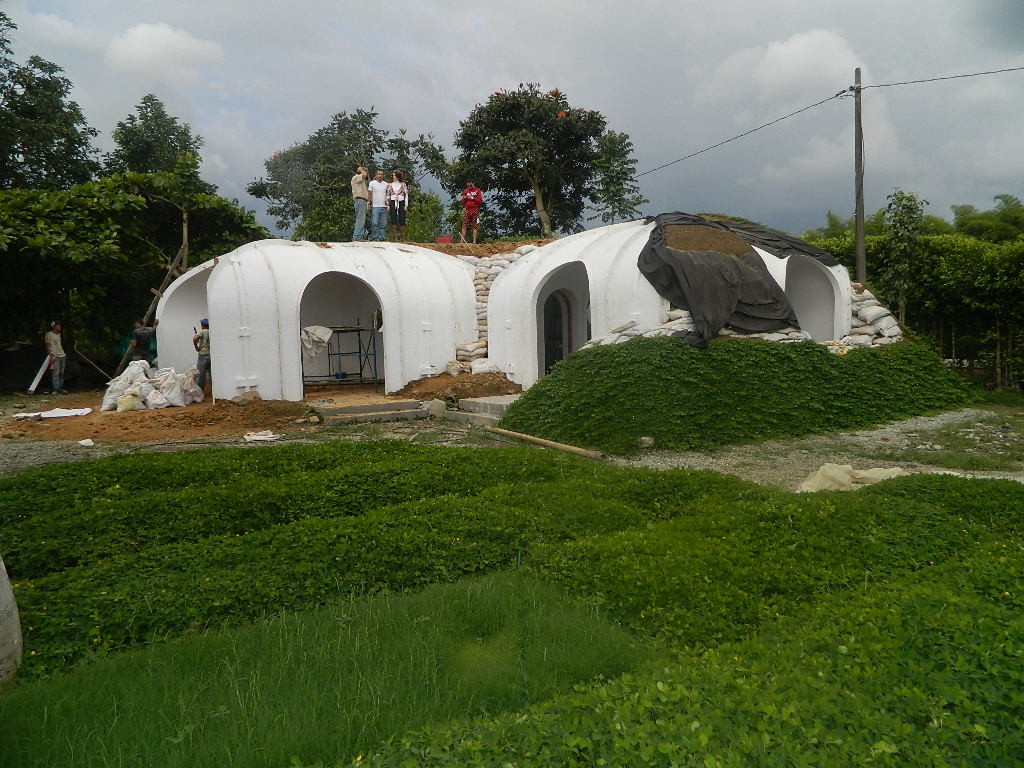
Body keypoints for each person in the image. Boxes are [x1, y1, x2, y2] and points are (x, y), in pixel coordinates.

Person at [43, 320, 68, 394]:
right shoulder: (49, 334)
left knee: (62, 373)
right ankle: (55, 389)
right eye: (58, 325)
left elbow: (59, 345)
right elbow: (47, 345)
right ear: (53, 327)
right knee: (56, 373)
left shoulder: (59, 334)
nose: (59, 326)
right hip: (55, 355)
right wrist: (50, 356)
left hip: (62, 355)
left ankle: (60, 388)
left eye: (60, 325)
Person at [387, 170, 410, 241]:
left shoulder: (403, 184)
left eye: (394, 175)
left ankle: (403, 238)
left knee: (402, 219)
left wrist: (406, 205)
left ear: (397, 176)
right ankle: (395, 238)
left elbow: (406, 195)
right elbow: (388, 195)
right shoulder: (390, 185)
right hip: (393, 202)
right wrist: (388, 205)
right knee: (393, 219)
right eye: (393, 175)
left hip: (401, 202)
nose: (393, 177)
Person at [367, 170, 389, 241]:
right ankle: (374, 237)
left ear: (383, 176)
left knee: (383, 224)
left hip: (384, 206)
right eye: (379, 174)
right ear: (376, 175)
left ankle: (381, 238)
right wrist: (369, 203)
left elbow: (389, 194)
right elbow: (369, 193)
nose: (380, 176)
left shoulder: (386, 184)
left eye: (381, 174)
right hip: (375, 206)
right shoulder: (372, 183)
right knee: (375, 223)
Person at [351, 166, 369, 240]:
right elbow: (364, 175)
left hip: (363, 201)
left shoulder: (362, 181)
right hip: (360, 200)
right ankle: (357, 237)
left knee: (362, 219)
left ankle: (360, 235)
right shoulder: (356, 178)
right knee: (360, 219)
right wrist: (361, 169)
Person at [193, 318, 211, 392]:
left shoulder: (203, 331)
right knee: (211, 374)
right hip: (210, 355)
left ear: (203, 325)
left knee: (201, 374)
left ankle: (200, 392)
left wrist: (196, 347)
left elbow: (195, 338)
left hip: (203, 355)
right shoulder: (211, 331)